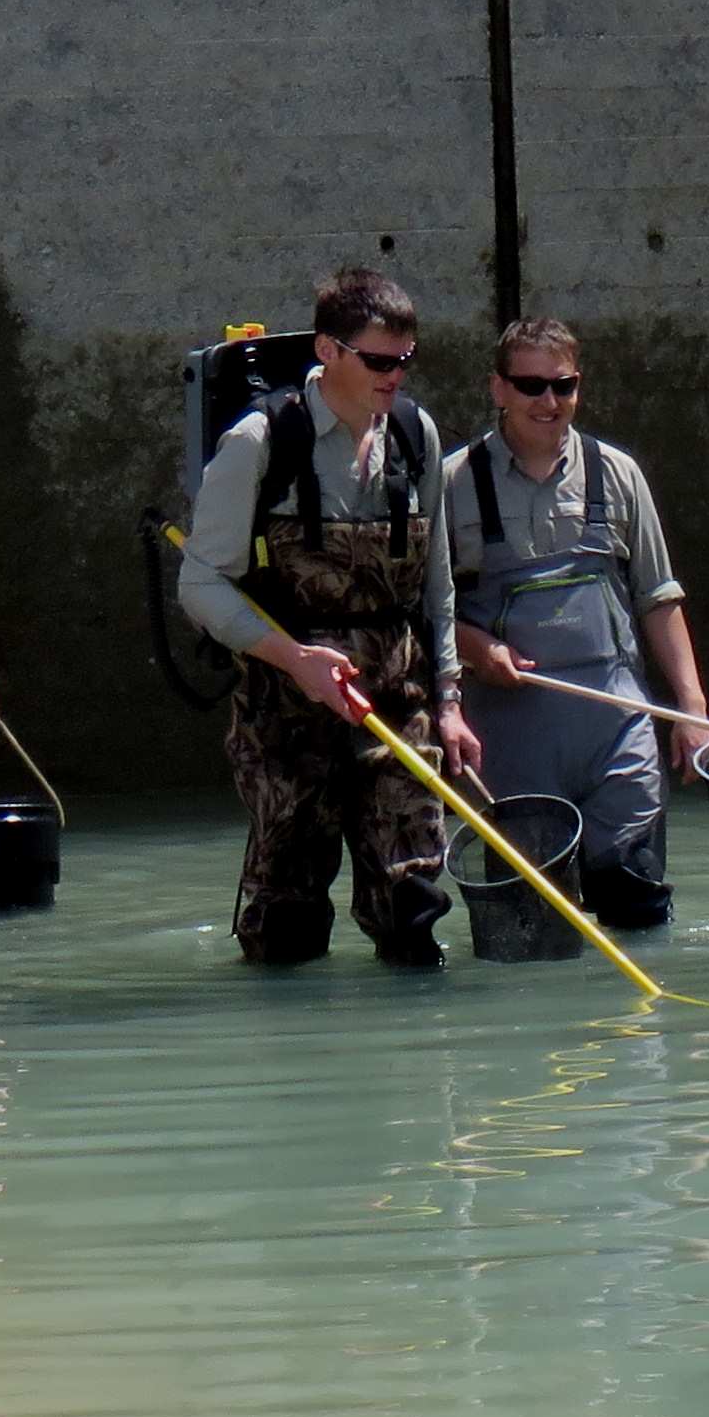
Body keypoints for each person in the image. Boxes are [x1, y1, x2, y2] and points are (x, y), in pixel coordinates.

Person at [175, 267, 480, 968]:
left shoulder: (415, 435)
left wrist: (452, 702)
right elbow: (201, 583)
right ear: (328, 350)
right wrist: (295, 660)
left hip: (398, 712)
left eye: (405, 360)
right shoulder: (259, 443)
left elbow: (435, 584)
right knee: (287, 923)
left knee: (413, 913)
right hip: (286, 721)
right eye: (378, 360)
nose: (394, 376)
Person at [446, 316, 708, 929]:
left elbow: (659, 598)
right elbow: (423, 611)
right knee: (532, 925)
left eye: (562, 386)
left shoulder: (618, 473)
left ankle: (642, 1026)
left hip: (617, 730)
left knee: (637, 906)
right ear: (498, 388)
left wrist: (691, 708)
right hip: (511, 741)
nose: (548, 401)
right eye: (531, 385)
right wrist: (475, 645)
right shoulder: (452, 482)